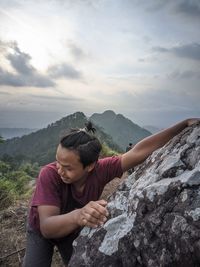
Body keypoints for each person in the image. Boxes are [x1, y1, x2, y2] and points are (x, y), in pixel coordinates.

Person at [22, 118, 199, 267]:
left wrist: (182, 125)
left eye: (67, 167)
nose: (59, 170)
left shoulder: (101, 170)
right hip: (42, 231)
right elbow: (47, 227)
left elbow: (139, 151)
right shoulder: (49, 174)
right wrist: (79, 215)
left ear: (90, 166)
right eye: (57, 162)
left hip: (74, 228)